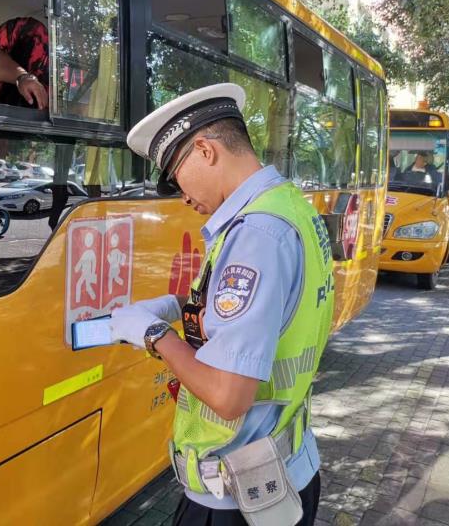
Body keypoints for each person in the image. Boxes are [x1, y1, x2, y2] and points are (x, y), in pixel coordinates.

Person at [112, 83, 334, 525]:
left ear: (205, 150)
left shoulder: (255, 234)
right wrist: (181, 305)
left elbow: (228, 397)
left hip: (241, 496)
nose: (181, 195)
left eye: (176, 176)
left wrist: (154, 335)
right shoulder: (289, 205)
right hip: (287, 467)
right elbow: (278, 310)